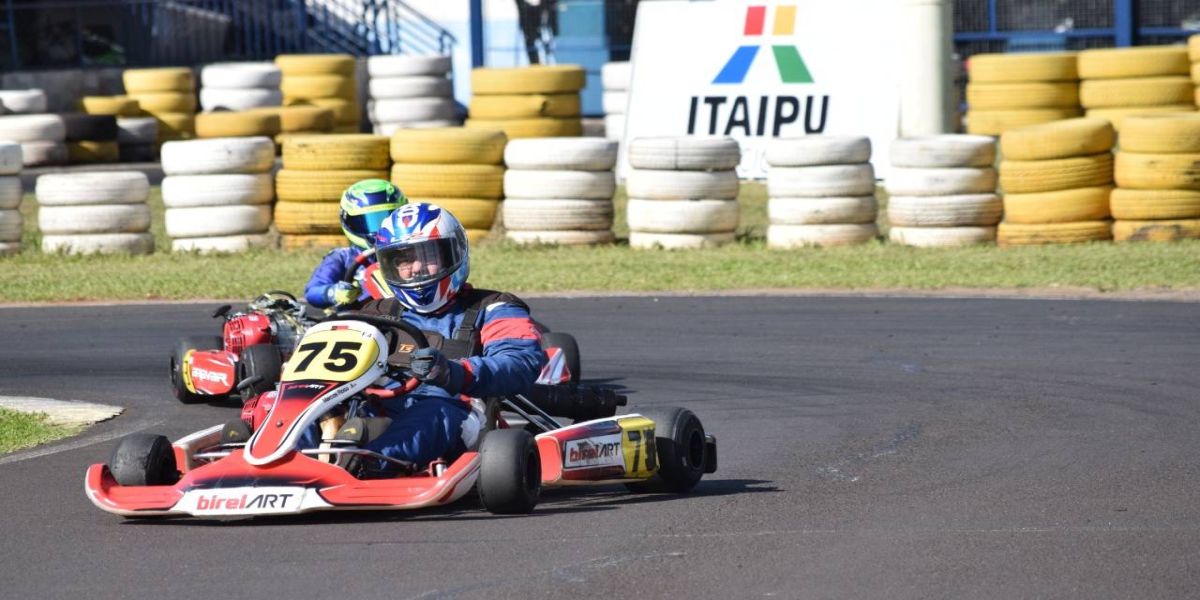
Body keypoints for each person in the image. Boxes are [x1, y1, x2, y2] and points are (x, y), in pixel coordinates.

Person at [330, 202, 547, 476]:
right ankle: (276, 461)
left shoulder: (492, 308)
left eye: (428, 256)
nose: (417, 268)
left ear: (454, 253)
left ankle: (365, 467)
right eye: (404, 260)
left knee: (434, 412)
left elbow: (520, 361)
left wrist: (454, 372)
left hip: (460, 415)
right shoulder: (376, 312)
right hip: (379, 407)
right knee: (290, 403)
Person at [303, 179, 405, 309]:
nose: (379, 230)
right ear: (350, 222)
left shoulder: (410, 253)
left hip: (405, 318)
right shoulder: (343, 257)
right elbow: (312, 292)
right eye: (372, 222)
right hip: (360, 321)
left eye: (387, 221)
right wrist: (333, 292)